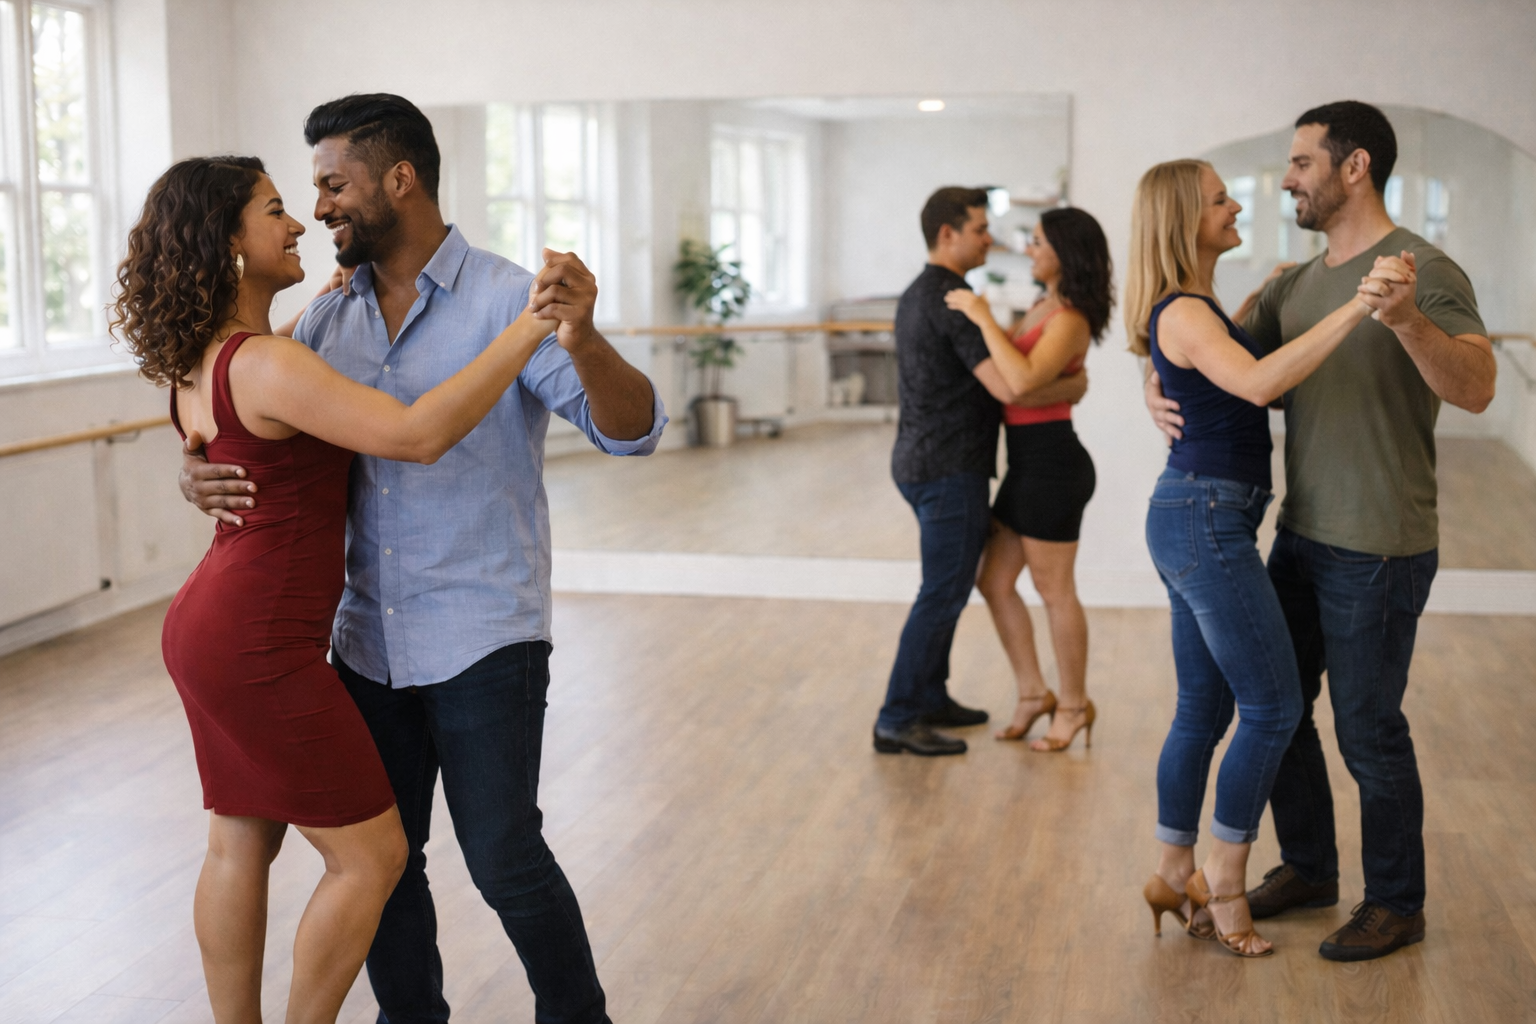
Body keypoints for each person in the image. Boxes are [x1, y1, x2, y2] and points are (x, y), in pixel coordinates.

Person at [181, 95, 666, 1023]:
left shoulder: (506, 297)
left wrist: (584, 336)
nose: (318, 208)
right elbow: (251, 420)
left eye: (332, 185)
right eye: (307, 191)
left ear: (399, 178)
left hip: (486, 635)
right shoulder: (324, 324)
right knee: (386, 868)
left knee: (505, 857)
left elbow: (632, 430)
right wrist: (197, 474)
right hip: (364, 642)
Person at [113, 156, 560, 1022]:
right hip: (259, 642)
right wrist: (527, 325)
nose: (298, 224)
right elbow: (414, 433)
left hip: (208, 623)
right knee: (371, 857)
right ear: (228, 244)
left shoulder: (200, 358)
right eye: (274, 211)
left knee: (238, 843)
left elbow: (235, 451)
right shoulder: (271, 363)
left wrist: (321, 298)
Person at [1147, 102, 1493, 962]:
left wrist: (1409, 319)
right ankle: (1307, 865)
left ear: (1354, 168)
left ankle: (1397, 903)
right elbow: (1204, 353)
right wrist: (1146, 394)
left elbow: (1480, 386)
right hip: (1298, 534)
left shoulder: (1424, 267)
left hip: (1381, 542)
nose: (1287, 178)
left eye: (1302, 162)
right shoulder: (1296, 287)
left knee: (1368, 730)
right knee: (1282, 709)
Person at [1128, 158, 1400, 957]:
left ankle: (1170, 867)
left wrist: (1252, 300)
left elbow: (1207, 358)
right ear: (1186, 219)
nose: (1237, 203)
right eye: (1220, 200)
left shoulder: (1194, 307)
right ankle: (1224, 874)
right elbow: (1252, 383)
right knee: (1274, 707)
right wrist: (1359, 304)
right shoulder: (1183, 310)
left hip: (1197, 516)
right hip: (1207, 521)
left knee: (1201, 711)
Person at [874, 186, 1087, 757]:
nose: (990, 238)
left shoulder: (922, 291)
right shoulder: (954, 298)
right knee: (942, 593)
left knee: (951, 587)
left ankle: (930, 696)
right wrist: (1071, 384)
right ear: (949, 234)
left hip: (926, 460)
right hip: (948, 468)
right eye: (978, 228)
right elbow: (1010, 384)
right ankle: (898, 716)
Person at [944, 207, 1111, 752]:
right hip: (1028, 465)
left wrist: (982, 314)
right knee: (993, 581)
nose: (1029, 249)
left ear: (1066, 252)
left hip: (1054, 467)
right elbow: (1013, 388)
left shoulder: (1071, 318)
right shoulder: (1045, 305)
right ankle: (1033, 692)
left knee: (1054, 590)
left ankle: (1072, 704)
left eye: (1038, 242)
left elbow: (1016, 383)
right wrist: (1064, 389)